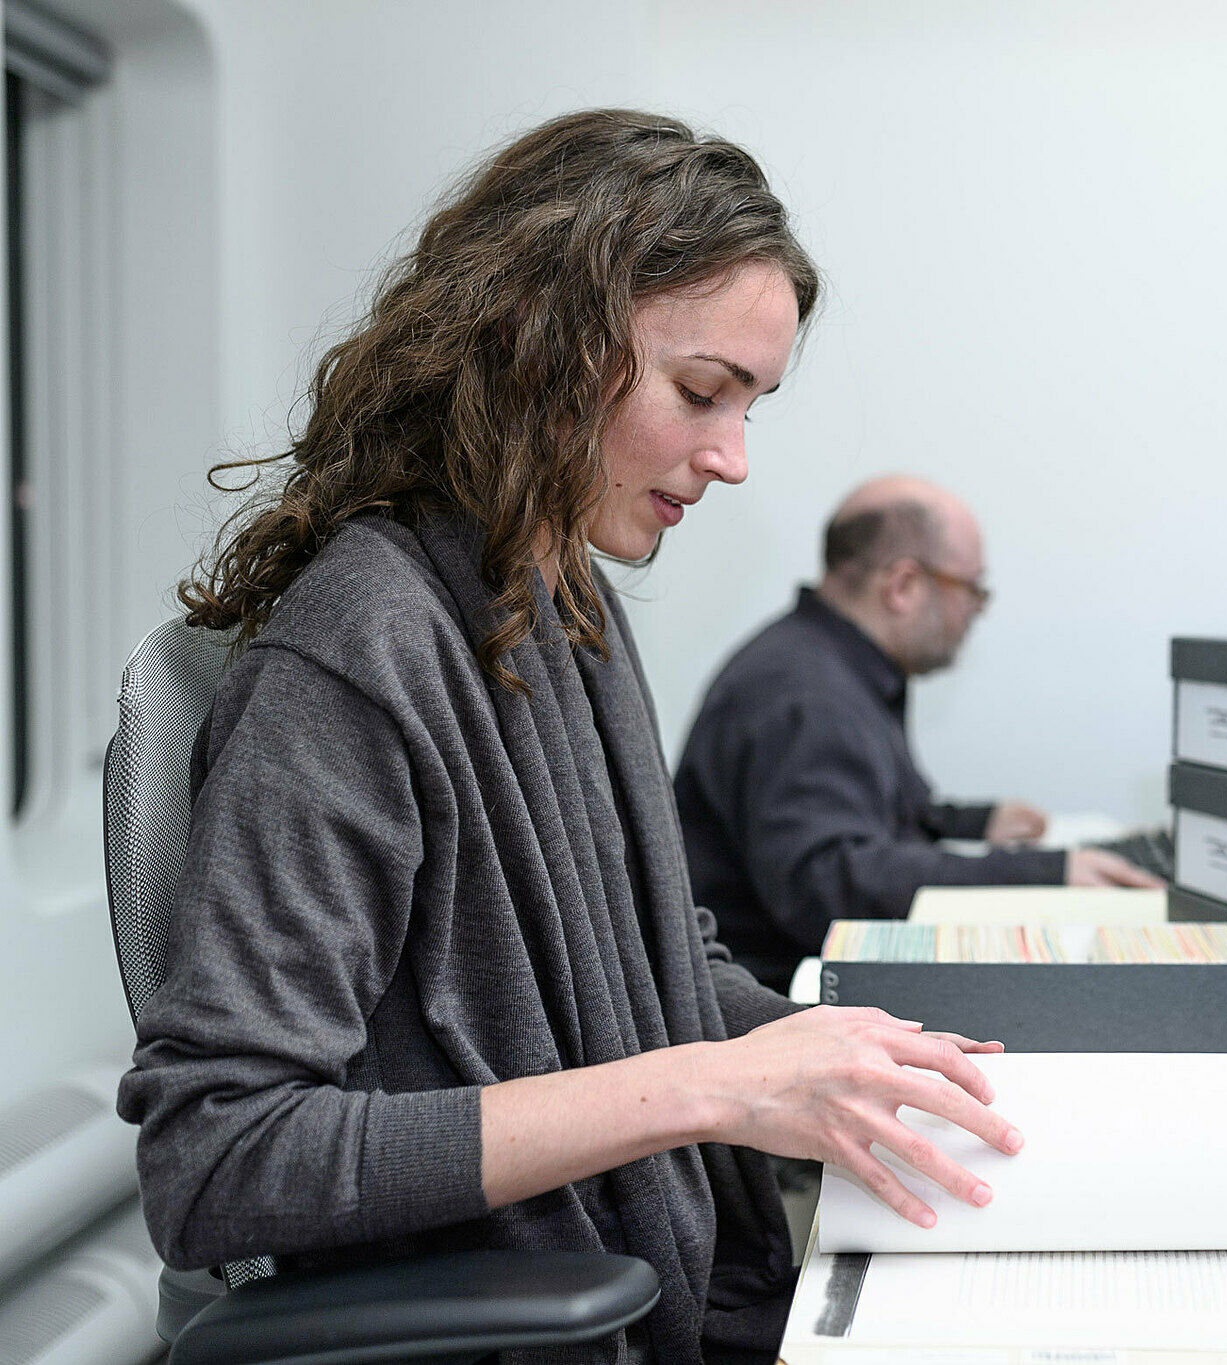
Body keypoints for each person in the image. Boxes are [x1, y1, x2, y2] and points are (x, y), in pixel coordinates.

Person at [115, 110, 1024, 1365]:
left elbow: (647, 963)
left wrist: (863, 1048)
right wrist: (717, 1087)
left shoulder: (559, 600)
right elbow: (220, 1159)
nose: (733, 457)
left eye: (749, 405)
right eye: (703, 393)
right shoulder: (358, 656)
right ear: (542, 343)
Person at [674, 476, 1161, 993]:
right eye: (972, 590)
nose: (975, 611)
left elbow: (875, 814)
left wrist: (976, 823)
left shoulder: (834, 665)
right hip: (782, 1001)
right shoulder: (806, 697)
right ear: (903, 585)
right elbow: (830, 882)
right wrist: (1045, 874)